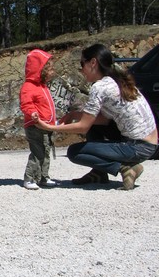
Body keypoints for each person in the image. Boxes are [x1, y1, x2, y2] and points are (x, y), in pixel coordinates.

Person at [35, 43, 158, 190]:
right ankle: (99, 173)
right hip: (150, 143)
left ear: (93, 62)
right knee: (93, 125)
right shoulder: (117, 80)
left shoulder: (100, 87)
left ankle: (125, 168)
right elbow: (104, 120)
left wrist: (50, 127)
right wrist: (74, 115)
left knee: (74, 152)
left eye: (82, 64)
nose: (81, 70)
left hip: (137, 147)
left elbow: (83, 127)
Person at [19, 49, 57, 190]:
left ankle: (43, 177)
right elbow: (26, 103)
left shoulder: (42, 87)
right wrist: (32, 113)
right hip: (35, 126)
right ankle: (29, 178)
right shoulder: (28, 87)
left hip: (45, 126)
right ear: (40, 70)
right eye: (50, 69)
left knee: (45, 152)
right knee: (38, 152)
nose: (53, 72)